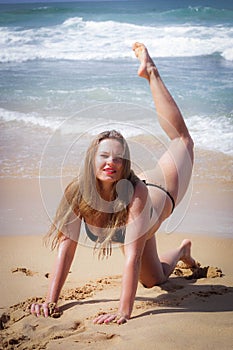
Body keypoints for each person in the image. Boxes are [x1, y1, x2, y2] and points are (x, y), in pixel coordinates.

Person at [31, 42, 195, 324]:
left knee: (182, 141)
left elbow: (131, 258)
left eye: (118, 158)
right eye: (104, 156)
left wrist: (123, 312)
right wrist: (51, 300)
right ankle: (183, 250)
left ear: (125, 164)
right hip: (135, 221)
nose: (111, 162)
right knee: (153, 280)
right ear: (91, 160)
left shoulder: (137, 194)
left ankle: (151, 72)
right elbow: (66, 247)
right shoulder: (78, 192)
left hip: (156, 194)